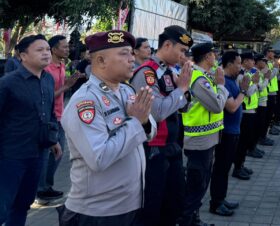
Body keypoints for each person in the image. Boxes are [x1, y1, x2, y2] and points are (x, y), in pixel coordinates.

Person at [59, 30, 156, 226]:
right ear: (101, 61)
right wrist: (136, 122)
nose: (132, 58)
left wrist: (143, 122)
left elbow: (150, 130)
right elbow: (99, 158)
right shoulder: (86, 100)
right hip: (98, 213)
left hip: (129, 204)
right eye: (124, 53)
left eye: (131, 53)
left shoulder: (127, 90)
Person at [130, 25, 193, 226]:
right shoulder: (147, 72)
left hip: (170, 146)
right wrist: (181, 89)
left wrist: (182, 89)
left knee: (174, 203)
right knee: (153, 206)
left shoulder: (168, 72)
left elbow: (184, 107)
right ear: (167, 45)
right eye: (182, 50)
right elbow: (156, 112)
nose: (184, 56)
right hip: (154, 149)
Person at [0, 35, 61, 226]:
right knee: (2, 207)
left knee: (23, 204)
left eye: (47, 49)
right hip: (10, 156)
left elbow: (50, 113)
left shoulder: (48, 80)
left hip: (38, 155)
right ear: (23, 56)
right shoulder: (8, 83)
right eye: (39, 50)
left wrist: (53, 140)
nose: (46, 53)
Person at [179, 43, 229, 226]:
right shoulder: (198, 78)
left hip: (208, 138)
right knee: (196, 185)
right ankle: (186, 220)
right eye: (214, 54)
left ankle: (194, 219)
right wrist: (222, 87)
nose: (216, 57)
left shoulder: (205, 76)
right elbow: (216, 106)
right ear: (208, 56)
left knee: (200, 184)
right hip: (199, 140)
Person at [37, 35, 83, 201]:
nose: (68, 49)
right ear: (54, 49)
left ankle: (46, 186)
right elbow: (45, 97)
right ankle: (40, 190)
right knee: (48, 154)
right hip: (49, 118)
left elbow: (62, 89)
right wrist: (65, 86)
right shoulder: (46, 69)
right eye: (64, 46)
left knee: (57, 154)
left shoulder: (62, 65)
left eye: (68, 46)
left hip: (60, 115)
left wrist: (70, 82)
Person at [209, 51, 249, 214]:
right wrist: (243, 92)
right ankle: (216, 203)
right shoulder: (223, 82)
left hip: (233, 131)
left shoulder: (232, 81)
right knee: (220, 168)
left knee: (225, 169)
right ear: (229, 63)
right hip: (225, 132)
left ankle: (221, 198)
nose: (240, 67)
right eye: (238, 63)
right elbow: (231, 107)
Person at [232, 52, 259, 179]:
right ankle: (237, 168)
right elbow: (247, 93)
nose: (254, 63)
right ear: (245, 62)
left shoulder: (246, 73)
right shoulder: (242, 75)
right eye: (251, 60)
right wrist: (254, 83)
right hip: (245, 111)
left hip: (249, 110)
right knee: (242, 142)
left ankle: (241, 165)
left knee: (245, 140)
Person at [255, 55, 275, 147]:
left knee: (264, 120)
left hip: (263, 99)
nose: (265, 63)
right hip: (258, 101)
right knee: (260, 122)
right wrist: (267, 78)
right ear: (258, 62)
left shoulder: (259, 71)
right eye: (263, 61)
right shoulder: (256, 72)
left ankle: (262, 137)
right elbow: (261, 87)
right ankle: (260, 138)